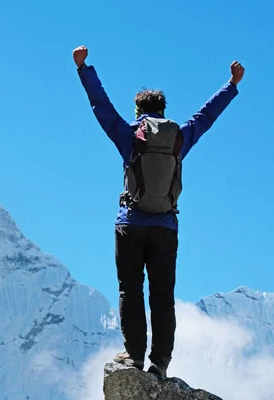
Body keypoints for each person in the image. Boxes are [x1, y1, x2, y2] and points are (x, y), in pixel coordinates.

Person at [73, 45, 245, 378]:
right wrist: (232, 84)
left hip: (130, 224)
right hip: (166, 227)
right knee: (163, 296)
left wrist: (84, 68)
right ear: (164, 110)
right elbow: (207, 115)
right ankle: (160, 364)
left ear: (138, 110)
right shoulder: (179, 138)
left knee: (130, 289)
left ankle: (134, 356)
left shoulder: (129, 136)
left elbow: (101, 106)